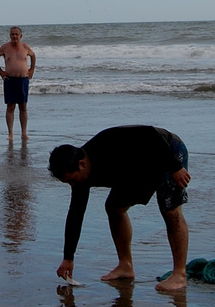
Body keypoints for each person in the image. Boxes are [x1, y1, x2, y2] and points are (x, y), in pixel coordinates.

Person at [48, 125, 191, 293]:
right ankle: (125, 266)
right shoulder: (80, 177)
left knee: (170, 210)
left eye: (72, 180)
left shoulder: (107, 142)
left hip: (166, 151)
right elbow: (75, 214)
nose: (73, 186)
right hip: (136, 167)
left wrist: (175, 167)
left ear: (82, 164)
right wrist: (68, 258)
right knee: (114, 207)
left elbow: (150, 134)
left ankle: (179, 274)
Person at [0, 27, 36, 144]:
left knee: (23, 107)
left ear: (20, 36)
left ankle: (24, 133)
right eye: (12, 35)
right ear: (10, 36)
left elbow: (33, 55)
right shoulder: (5, 47)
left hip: (23, 80)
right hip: (10, 80)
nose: (14, 37)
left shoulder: (25, 47)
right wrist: (1, 72)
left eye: (16, 35)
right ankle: (10, 133)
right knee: (10, 107)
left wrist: (32, 69)